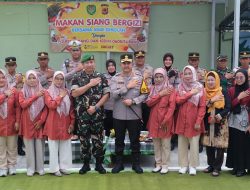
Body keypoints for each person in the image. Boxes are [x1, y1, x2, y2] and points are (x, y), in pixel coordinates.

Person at [71, 54, 110, 174]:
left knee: (98, 140)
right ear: (83, 64)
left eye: (92, 62)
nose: (90, 64)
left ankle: (99, 164)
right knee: (84, 141)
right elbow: (74, 94)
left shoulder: (101, 76)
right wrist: (90, 84)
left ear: (95, 63)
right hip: (83, 116)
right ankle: (86, 164)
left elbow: (106, 94)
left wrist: (96, 107)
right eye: (87, 62)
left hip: (97, 115)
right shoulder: (77, 77)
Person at [110, 54, 148, 174]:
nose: (126, 65)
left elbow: (145, 94)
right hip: (119, 115)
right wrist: (127, 87)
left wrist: (133, 101)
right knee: (119, 141)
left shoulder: (140, 78)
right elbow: (113, 95)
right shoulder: (115, 78)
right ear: (121, 64)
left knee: (135, 141)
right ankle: (119, 164)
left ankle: (136, 164)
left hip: (134, 115)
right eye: (124, 63)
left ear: (132, 64)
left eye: (128, 63)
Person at [175, 65, 206, 175]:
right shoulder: (180, 87)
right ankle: (183, 165)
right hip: (181, 119)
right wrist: (190, 93)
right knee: (182, 144)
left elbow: (202, 107)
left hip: (194, 120)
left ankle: (193, 166)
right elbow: (178, 101)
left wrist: (198, 121)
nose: (187, 76)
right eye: (185, 73)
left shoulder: (200, 87)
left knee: (194, 145)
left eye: (190, 73)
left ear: (193, 74)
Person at [44, 71, 75, 177]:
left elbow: (71, 109)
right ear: (53, 79)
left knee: (65, 145)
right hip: (53, 122)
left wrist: (72, 122)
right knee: (53, 147)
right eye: (57, 78)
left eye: (61, 79)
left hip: (65, 122)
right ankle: (54, 168)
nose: (59, 81)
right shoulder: (48, 92)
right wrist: (60, 97)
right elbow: (51, 105)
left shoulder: (67, 91)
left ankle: (63, 167)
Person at [146, 68, 176, 174]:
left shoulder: (170, 89)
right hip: (154, 119)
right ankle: (158, 164)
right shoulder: (152, 88)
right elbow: (149, 103)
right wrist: (160, 94)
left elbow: (172, 106)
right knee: (156, 144)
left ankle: (165, 165)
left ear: (165, 77)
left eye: (161, 77)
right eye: (156, 77)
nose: (158, 79)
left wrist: (166, 119)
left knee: (165, 144)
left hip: (165, 119)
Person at [19, 70, 48, 176]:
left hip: (39, 122)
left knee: (40, 146)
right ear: (26, 80)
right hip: (27, 122)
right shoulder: (22, 92)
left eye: (34, 78)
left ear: (37, 79)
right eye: (29, 78)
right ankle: (30, 168)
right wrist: (36, 96)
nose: (32, 80)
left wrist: (41, 121)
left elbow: (46, 108)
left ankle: (40, 168)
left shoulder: (44, 91)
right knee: (29, 147)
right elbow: (23, 105)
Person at [203, 71, 230, 177]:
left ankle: (217, 167)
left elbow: (228, 106)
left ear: (217, 80)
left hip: (220, 121)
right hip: (208, 121)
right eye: (208, 80)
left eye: (212, 80)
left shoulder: (223, 91)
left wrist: (220, 116)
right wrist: (211, 100)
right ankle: (210, 165)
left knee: (219, 145)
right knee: (209, 144)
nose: (210, 82)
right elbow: (202, 107)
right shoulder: (204, 92)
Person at [226, 69, 250, 177]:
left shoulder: (249, 90)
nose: (239, 79)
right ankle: (235, 166)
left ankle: (242, 168)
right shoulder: (231, 90)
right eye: (237, 77)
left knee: (242, 144)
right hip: (233, 119)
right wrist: (239, 98)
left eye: (241, 77)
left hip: (245, 120)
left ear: (246, 78)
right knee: (234, 143)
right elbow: (229, 106)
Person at [0, 69, 20, 177]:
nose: (1, 80)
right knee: (1, 147)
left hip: (11, 123)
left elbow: (17, 107)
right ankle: (2, 167)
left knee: (12, 146)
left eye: (3, 77)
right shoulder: (8, 93)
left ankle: (12, 166)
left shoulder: (13, 91)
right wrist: (4, 95)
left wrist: (17, 121)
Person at [4, 57, 25, 156]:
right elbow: (6, 90)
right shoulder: (4, 77)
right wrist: (16, 83)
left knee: (19, 124)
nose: (11, 67)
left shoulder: (21, 76)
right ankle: (8, 148)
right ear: (6, 66)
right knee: (10, 126)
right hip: (7, 104)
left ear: (16, 65)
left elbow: (24, 88)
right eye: (9, 65)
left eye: (13, 65)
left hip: (19, 103)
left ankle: (19, 148)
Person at [133, 50, 153, 131]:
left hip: (147, 100)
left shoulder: (150, 69)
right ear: (135, 58)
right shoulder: (131, 69)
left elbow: (154, 83)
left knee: (147, 123)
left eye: (142, 57)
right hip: (136, 100)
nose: (140, 59)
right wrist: (143, 77)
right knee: (135, 123)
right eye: (138, 57)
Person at [103, 59, 116, 137]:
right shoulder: (103, 77)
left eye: (112, 65)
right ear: (106, 68)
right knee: (107, 130)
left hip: (117, 108)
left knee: (116, 131)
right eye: (109, 66)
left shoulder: (119, 76)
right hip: (106, 107)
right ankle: (107, 147)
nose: (111, 67)